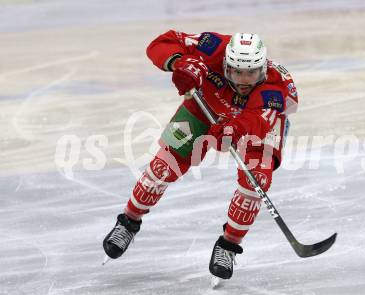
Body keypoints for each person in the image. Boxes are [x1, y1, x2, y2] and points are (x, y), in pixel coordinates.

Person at [103, 31, 298, 280]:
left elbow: (259, 120)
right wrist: (179, 62)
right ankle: (128, 222)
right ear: (226, 64)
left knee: (255, 181)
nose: (245, 80)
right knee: (163, 167)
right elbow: (162, 43)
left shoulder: (276, 84)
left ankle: (228, 245)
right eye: (238, 72)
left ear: (263, 67)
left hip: (254, 124)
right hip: (204, 107)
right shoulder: (213, 47)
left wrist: (234, 127)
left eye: (252, 72)